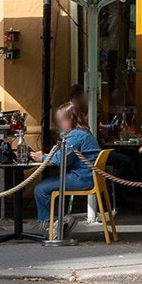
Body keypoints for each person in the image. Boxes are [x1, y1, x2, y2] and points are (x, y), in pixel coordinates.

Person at [29, 100, 102, 238]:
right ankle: (59, 222)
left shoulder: (76, 136)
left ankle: (53, 223)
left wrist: (42, 158)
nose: (60, 124)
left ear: (71, 119)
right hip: (88, 177)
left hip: (81, 178)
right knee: (49, 186)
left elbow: (60, 160)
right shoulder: (85, 133)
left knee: (41, 189)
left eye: (62, 120)